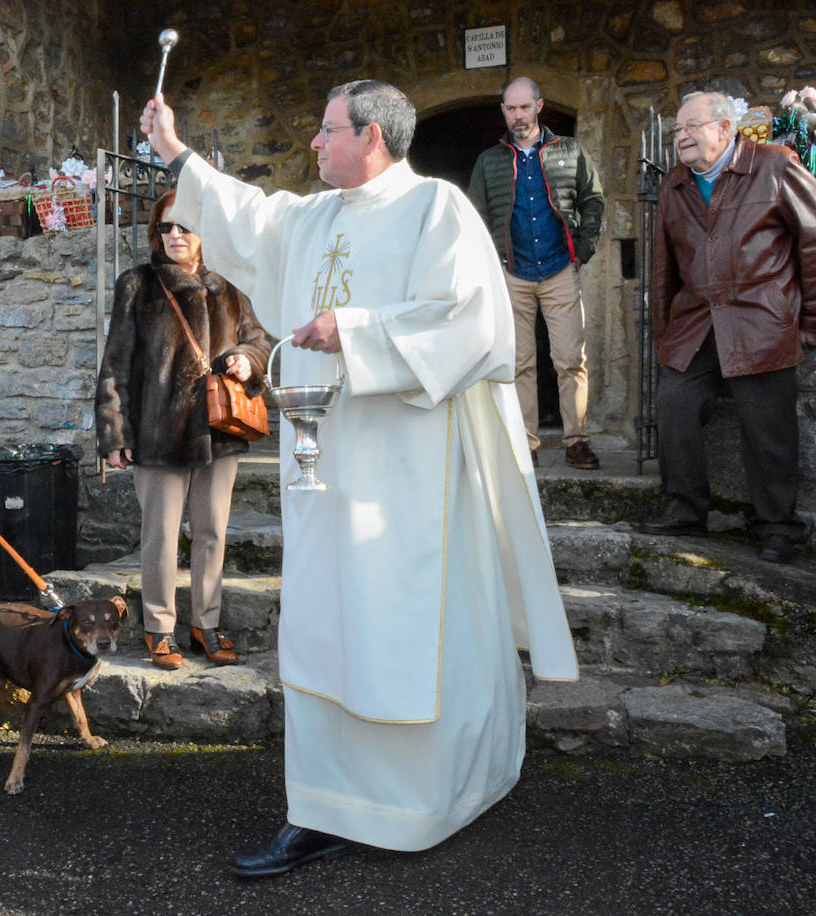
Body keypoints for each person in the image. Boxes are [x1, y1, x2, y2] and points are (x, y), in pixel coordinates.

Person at [140, 80, 578, 877]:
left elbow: (474, 324)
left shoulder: (435, 211)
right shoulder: (313, 218)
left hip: (410, 461)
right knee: (325, 618)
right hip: (325, 456)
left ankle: (426, 797)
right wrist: (176, 153)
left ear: (372, 136)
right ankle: (323, 806)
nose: (314, 143)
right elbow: (246, 216)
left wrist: (359, 330)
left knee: (399, 616)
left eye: (326, 129)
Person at [640, 91, 816, 564]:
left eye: (692, 126)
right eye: (677, 130)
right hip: (698, 320)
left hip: (760, 318)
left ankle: (777, 528)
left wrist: (812, 319)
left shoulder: (775, 165)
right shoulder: (674, 186)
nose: (681, 137)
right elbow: (664, 267)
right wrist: (665, 332)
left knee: (767, 427)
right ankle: (686, 510)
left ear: (726, 128)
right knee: (674, 403)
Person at [95, 189, 270, 669]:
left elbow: (260, 343)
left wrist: (245, 360)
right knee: (161, 535)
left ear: (203, 232)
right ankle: (159, 628)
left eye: (184, 226)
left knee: (212, 531)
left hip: (219, 430)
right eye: (165, 227)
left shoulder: (230, 286)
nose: (174, 235)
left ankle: (205, 625)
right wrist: (115, 434)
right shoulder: (138, 284)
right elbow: (115, 365)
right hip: (157, 432)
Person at [467, 76, 605, 470]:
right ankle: (525, 442)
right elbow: (474, 215)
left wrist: (585, 248)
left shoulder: (571, 151)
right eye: (510, 108)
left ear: (539, 106)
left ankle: (576, 440)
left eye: (524, 107)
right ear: (504, 112)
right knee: (519, 362)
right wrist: (490, 261)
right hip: (512, 273)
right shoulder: (489, 160)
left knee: (570, 360)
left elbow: (593, 200)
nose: (517, 115)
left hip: (560, 268)